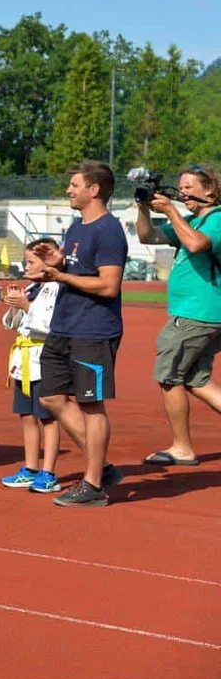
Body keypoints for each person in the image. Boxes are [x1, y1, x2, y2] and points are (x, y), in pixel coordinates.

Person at [24, 161, 126, 507]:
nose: (68, 190)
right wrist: (59, 262)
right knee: (51, 397)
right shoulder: (77, 227)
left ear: (93, 190)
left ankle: (93, 484)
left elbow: (109, 285)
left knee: (91, 405)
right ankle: (103, 465)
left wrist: (60, 276)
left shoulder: (109, 230)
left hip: (94, 330)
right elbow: (76, 267)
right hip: (64, 326)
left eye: (74, 185)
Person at [136, 163, 221, 466]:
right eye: (181, 186)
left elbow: (197, 245)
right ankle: (181, 445)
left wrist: (171, 211)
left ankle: (182, 447)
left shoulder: (217, 220)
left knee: (169, 377)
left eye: (189, 186)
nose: (183, 191)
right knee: (197, 380)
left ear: (209, 189)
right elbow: (148, 237)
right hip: (199, 313)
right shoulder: (191, 221)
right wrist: (144, 208)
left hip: (197, 314)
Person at [0, 238, 63, 493]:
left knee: (47, 417)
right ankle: (30, 467)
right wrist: (14, 306)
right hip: (23, 362)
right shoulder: (31, 289)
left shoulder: (56, 288)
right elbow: (13, 324)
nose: (25, 267)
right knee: (26, 415)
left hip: (44, 358)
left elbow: (48, 325)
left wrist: (25, 306)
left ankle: (48, 472)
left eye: (31, 262)